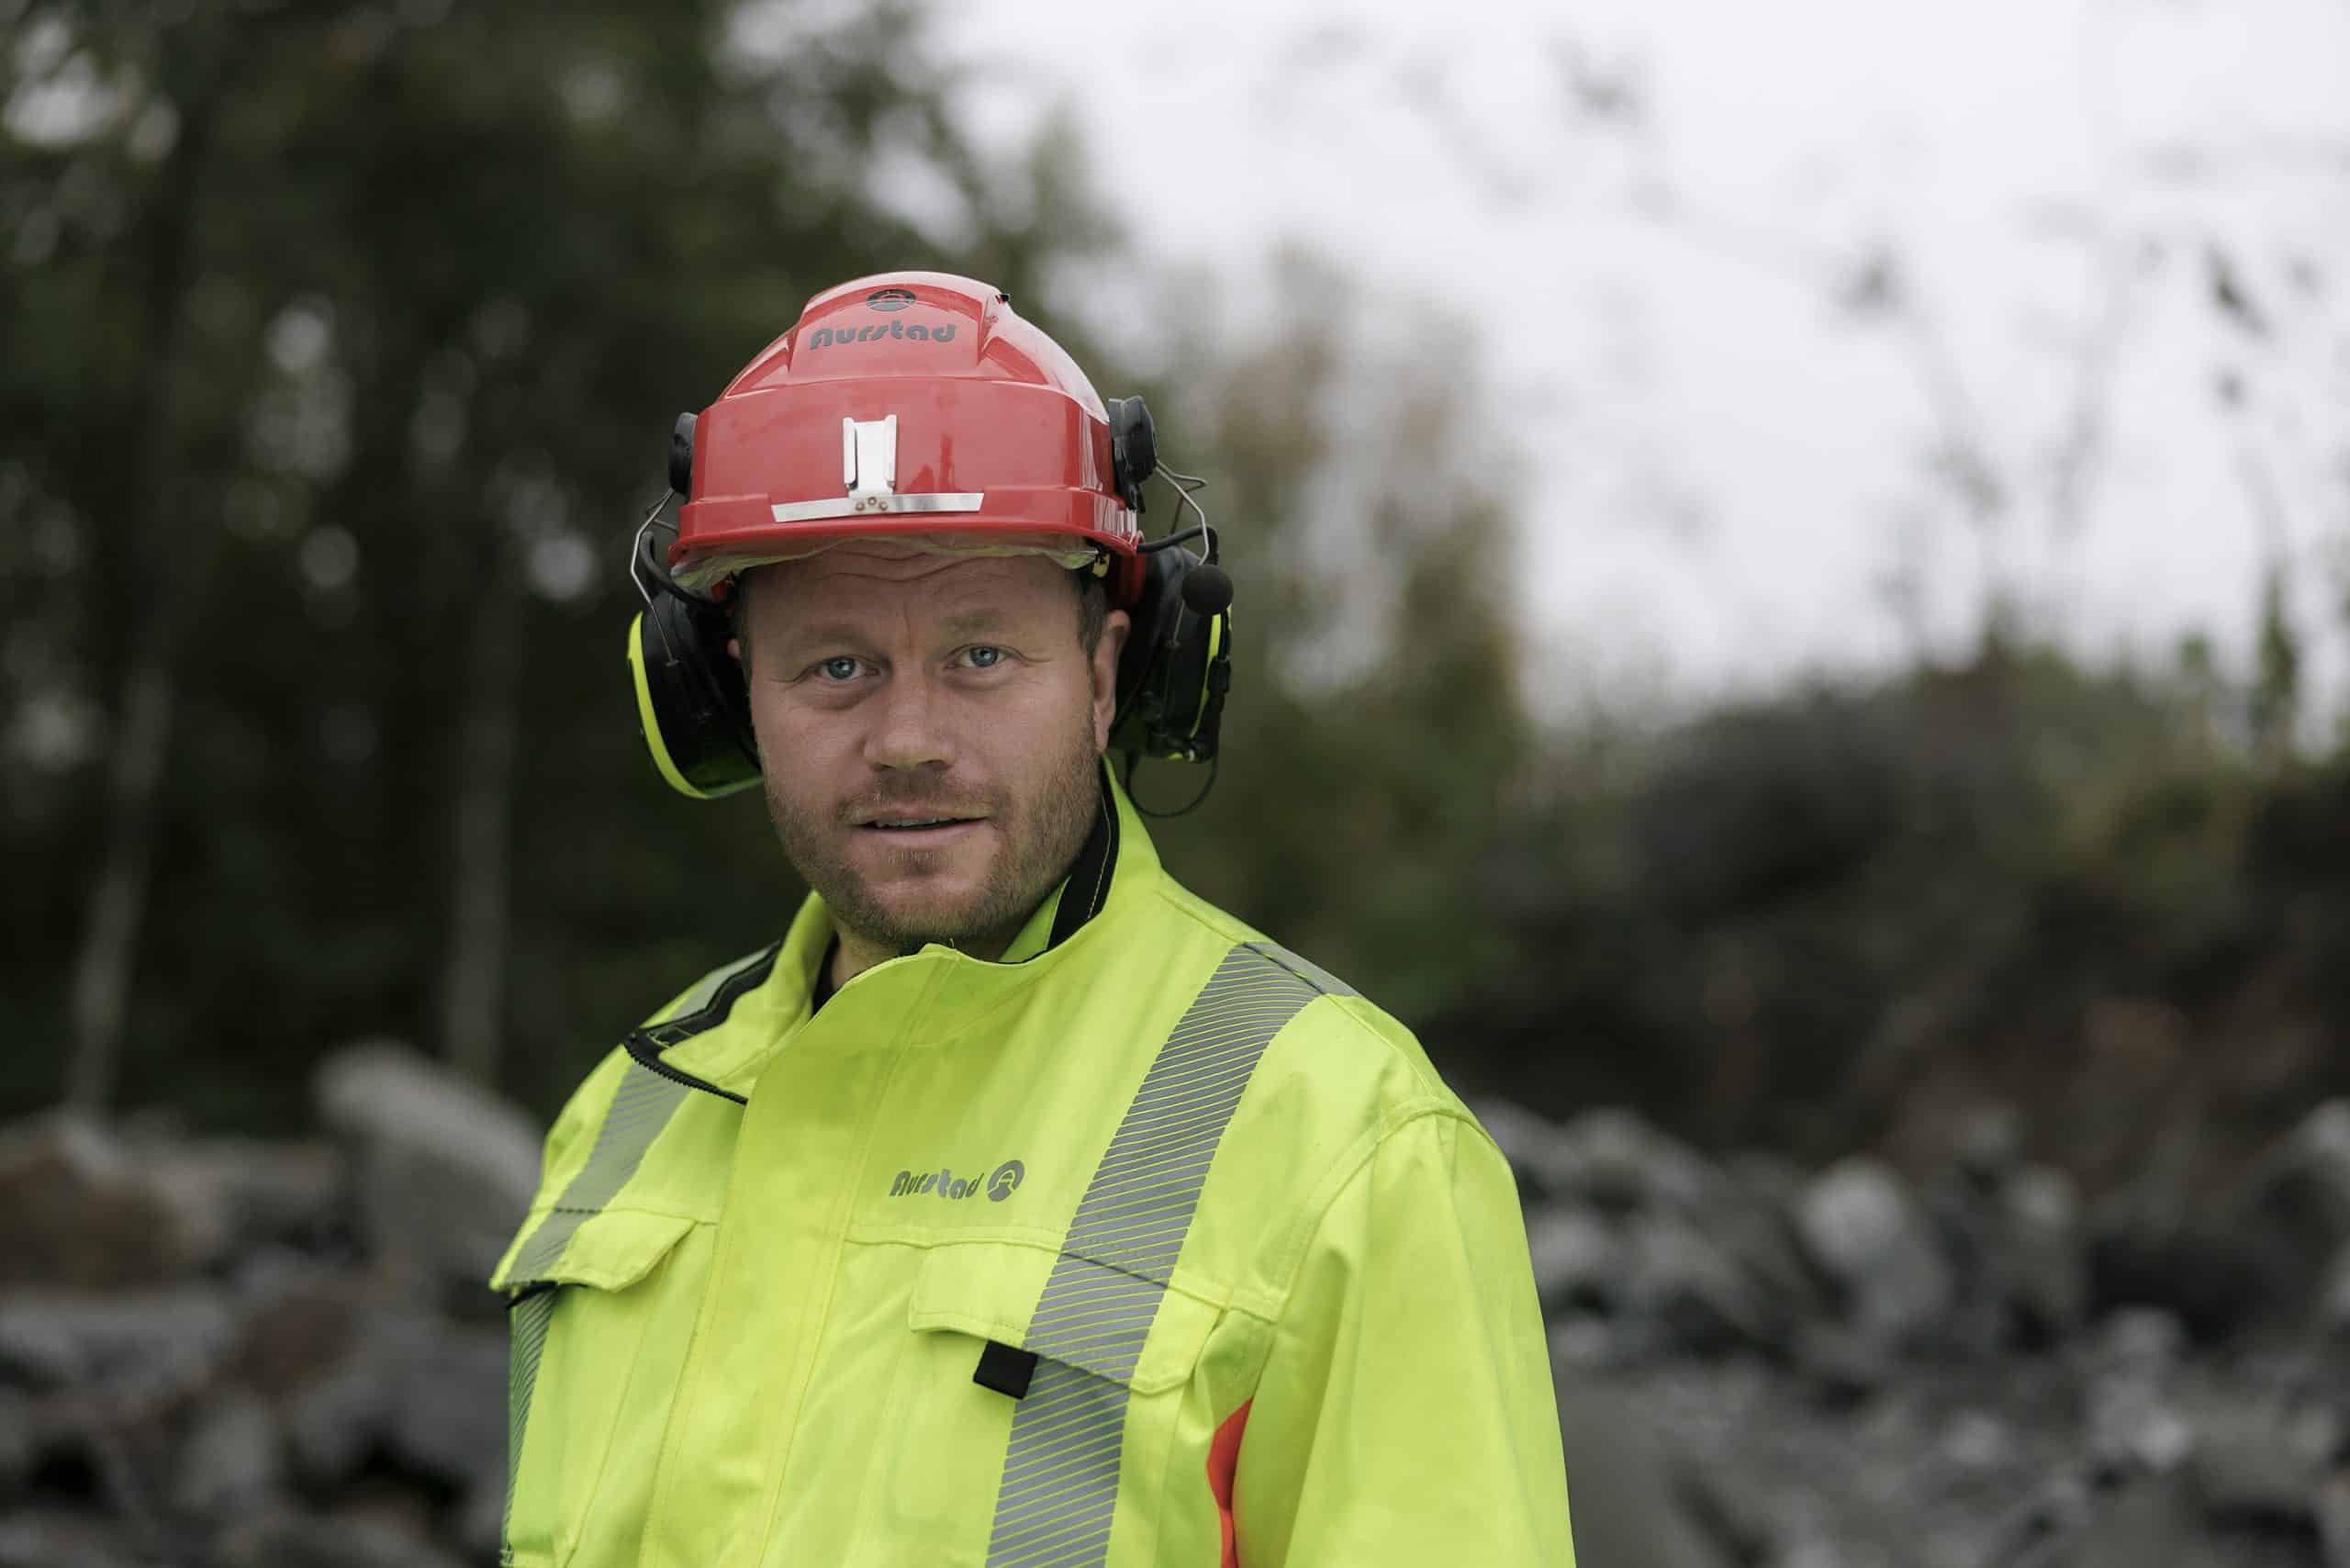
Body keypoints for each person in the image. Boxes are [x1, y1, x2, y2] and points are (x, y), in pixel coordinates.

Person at [491, 271, 1576, 1567]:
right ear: (725, 701)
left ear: (1110, 678)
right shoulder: (627, 1110)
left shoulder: (1349, 1142)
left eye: (981, 656)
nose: (907, 740)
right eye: (837, 665)